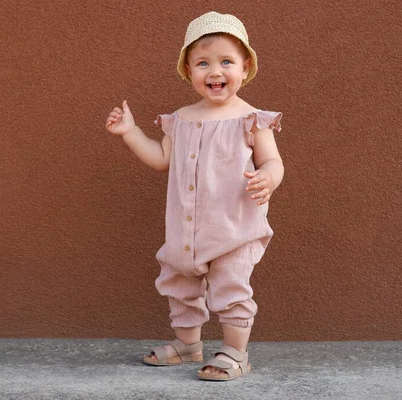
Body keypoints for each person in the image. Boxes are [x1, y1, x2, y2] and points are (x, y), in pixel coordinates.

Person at [105, 11, 284, 381]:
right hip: (185, 230)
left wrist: (268, 177)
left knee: (231, 288)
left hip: (234, 228)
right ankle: (188, 345)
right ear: (189, 71)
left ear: (245, 66)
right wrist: (130, 132)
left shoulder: (252, 118)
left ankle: (235, 352)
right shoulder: (181, 118)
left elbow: (273, 161)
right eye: (203, 63)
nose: (215, 71)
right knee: (181, 287)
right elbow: (161, 159)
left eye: (226, 62)